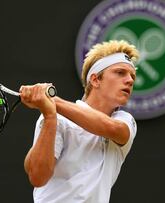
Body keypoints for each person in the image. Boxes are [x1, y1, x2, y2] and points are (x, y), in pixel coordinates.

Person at [20, 40, 139, 203]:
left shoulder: (125, 121)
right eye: (120, 73)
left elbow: (110, 128)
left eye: (132, 76)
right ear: (95, 80)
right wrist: (49, 116)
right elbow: (38, 178)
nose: (130, 80)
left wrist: (52, 101)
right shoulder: (56, 118)